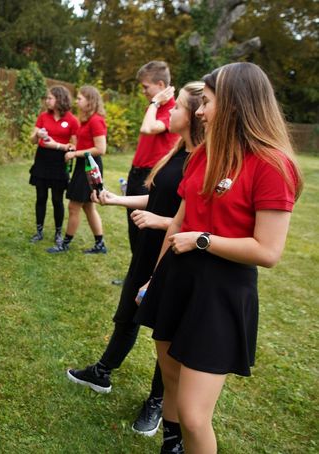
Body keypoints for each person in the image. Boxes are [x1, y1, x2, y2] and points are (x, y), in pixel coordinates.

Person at [135, 62, 303, 454]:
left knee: (195, 415)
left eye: (206, 102)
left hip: (220, 293)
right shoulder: (203, 154)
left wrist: (204, 241)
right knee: (171, 379)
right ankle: (171, 447)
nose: (198, 111)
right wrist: (153, 279)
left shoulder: (273, 166)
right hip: (176, 278)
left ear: (235, 105)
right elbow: (178, 222)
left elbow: (268, 251)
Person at [66, 82, 206, 439]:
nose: (169, 112)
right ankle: (102, 372)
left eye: (176, 108)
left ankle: (158, 401)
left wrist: (161, 223)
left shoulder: (202, 158)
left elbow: (190, 216)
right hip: (150, 247)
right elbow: (157, 201)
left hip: (175, 253)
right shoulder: (178, 152)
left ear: (192, 117)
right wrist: (117, 201)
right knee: (127, 312)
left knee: (166, 330)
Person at [126, 61, 180, 255]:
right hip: (137, 173)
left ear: (161, 86)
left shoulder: (173, 111)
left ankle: (146, 280)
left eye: (145, 87)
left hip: (151, 177)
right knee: (133, 227)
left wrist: (155, 102)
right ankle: (134, 276)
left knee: (145, 234)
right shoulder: (155, 109)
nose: (143, 91)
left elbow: (147, 129)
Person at [47, 85, 107, 254]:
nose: (77, 101)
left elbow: (101, 149)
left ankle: (65, 244)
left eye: (80, 98)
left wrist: (75, 154)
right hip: (84, 165)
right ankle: (100, 244)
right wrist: (75, 149)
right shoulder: (87, 120)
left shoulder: (96, 120)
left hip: (89, 166)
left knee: (74, 207)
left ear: (90, 101)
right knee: (88, 207)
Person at [29, 86, 79, 246]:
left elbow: (74, 146)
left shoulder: (72, 120)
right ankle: (39, 231)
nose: (47, 100)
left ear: (60, 99)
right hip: (42, 159)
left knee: (57, 199)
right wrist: (37, 135)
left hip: (60, 161)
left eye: (50, 98)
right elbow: (32, 140)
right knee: (41, 197)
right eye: (47, 98)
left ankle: (58, 233)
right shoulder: (43, 116)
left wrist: (58, 146)